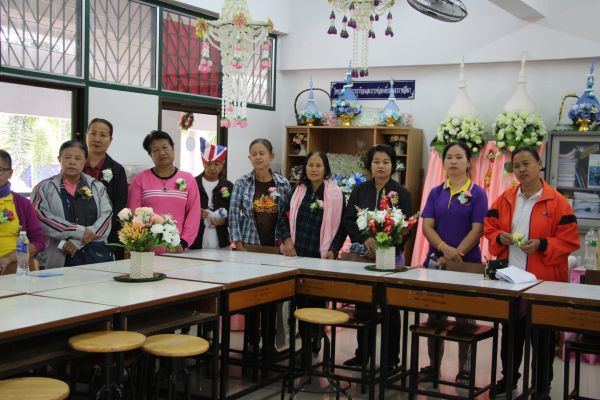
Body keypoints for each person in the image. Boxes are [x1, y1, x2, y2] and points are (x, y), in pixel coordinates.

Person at [484, 146, 580, 397]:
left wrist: (543, 244)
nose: (522, 170)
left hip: (543, 283)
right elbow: (489, 227)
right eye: (517, 166)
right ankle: (508, 379)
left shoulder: (557, 202)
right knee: (510, 336)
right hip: (511, 280)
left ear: (539, 164)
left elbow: (570, 240)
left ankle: (541, 386)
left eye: (526, 163)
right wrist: (500, 236)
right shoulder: (505, 199)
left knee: (543, 338)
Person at [420, 141, 488, 384]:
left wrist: (456, 254)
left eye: (459, 157)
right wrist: (444, 249)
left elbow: (478, 229)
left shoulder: (478, 193)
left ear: (468, 162)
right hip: (436, 263)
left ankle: (465, 370)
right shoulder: (436, 192)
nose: (453, 161)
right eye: (449, 157)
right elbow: (427, 226)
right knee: (434, 317)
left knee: (465, 319)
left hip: (467, 266)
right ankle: (432, 367)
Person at [342, 143, 413, 369]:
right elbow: (349, 220)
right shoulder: (359, 191)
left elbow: (407, 226)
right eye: (376, 162)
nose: (381, 166)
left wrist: (388, 245)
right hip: (363, 257)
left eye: (386, 162)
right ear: (370, 165)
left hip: (390, 257)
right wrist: (365, 240)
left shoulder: (402, 193)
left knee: (391, 308)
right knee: (363, 307)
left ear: (393, 165)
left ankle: (391, 360)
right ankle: (362, 355)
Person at [277, 151, 347, 356]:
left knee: (316, 303)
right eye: (310, 165)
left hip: (320, 257)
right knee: (300, 303)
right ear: (305, 168)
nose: (314, 169)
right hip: (297, 255)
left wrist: (333, 249)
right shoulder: (297, 190)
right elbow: (282, 216)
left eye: (318, 165)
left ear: (325, 169)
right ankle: (302, 346)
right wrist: (287, 241)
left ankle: (313, 345)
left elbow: (342, 226)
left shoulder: (335, 193)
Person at [229, 138, 291, 355]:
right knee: (252, 298)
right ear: (249, 158)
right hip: (249, 249)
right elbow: (233, 216)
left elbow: (287, 216)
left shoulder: (283, 184)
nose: (258, 157)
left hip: (275, 250)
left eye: (262, 153)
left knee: (272, 298)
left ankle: (269, 343)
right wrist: (238, 244)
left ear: (271, 156)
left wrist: (286, 242)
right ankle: (252, 342)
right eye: (253, 154)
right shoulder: (241, 183)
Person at [32, 141, 113, 268]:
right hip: (57, 255)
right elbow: (40, 217)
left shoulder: (97, 186)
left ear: (85, 161)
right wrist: (78, 231)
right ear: (59, 159)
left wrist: (79, 240)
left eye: (78, 158)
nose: (72, 162)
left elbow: (106, 217)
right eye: (67, 157)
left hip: (94, 257)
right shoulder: (43, 188)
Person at [128, 130, 200, 252]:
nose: (162, 153)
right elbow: (134, 213)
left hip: (177, 248)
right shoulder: (140, 179)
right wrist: (141, 242)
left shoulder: (188, 179)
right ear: (150, 155)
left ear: (173, 148)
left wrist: (183, 242)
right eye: (155, 150)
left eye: (165, 147)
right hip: (147, 248)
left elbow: (194, 213)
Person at [84, 118, 128, 259]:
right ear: (86, 135)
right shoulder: (75, 166)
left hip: (108, 238)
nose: (97, 139)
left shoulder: (117, 170)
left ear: (110, 140)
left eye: (103, 135)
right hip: (77, 236)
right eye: (93, 133)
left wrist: (97, 231)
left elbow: (119, 207)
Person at [0, 150, 45, 274]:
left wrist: (9, 258)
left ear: (10, 173)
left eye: (0, 170)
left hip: (14, 267)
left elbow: (39, 242)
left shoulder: (22, 203)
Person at [190, 138, 233, 249]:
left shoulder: (228, 186)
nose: (212, 168)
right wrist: (196, 215)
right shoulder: (193, 183)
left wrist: (224, 221)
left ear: (222, 165)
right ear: (203, 164)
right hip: (195, 241)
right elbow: (183, 210)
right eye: (208, 164)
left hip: (221, 241)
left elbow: (234, 213)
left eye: (217, 164)